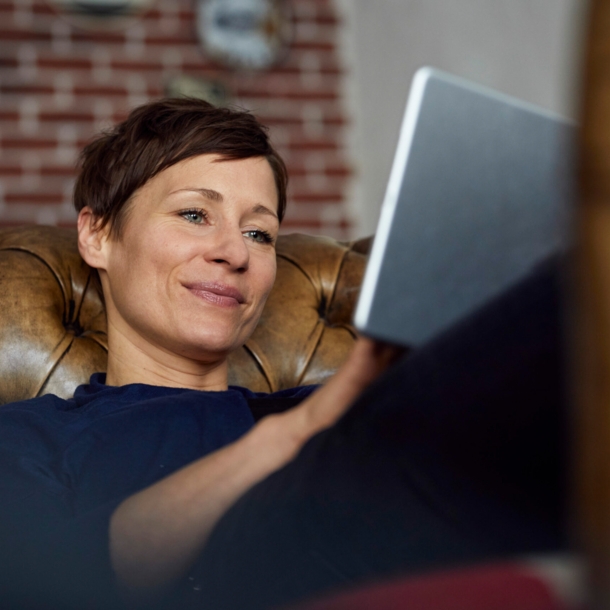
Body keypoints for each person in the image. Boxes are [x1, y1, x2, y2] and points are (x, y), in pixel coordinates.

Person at [0, 97, 567, 610]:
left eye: (259, 234)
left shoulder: (324, 406)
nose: (234, 253)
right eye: (195, 214)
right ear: (98, 236)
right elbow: (51, 582)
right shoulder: (31, 435)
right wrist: (299, 434)